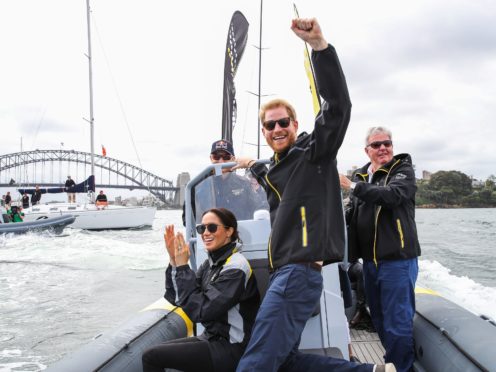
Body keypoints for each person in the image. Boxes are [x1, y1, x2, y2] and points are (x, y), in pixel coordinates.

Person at [234, 17, 394, 372]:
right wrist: (247, 163)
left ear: (294, 124)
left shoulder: (315, 154)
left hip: (298, 273)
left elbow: (338, 107)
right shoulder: (275, 167)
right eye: (269, 125)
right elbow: (272, 172)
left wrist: (320, 47)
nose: (276, 128)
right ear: (264, 131)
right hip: (285, 275)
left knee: (254, 365)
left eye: (282, 122)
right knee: (286, 362)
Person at [339, 126, 420, 372]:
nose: (383, 148)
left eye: (387, 143)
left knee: (397, 323)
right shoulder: (361, 176)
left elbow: (392, 196)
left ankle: (400, 367)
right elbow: (351, 215)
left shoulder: (402, 171)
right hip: (370, 263)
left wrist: (352, 187)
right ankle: (395, 363)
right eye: (376, 145)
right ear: (367, 150)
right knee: (379, 319)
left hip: (398, 260)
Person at [142, 208, 260, 372]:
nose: (205, 233)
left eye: (212, 227)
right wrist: (174, 261)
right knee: (153, 352)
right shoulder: (210, 264)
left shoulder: (235, 267)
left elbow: (202, 311)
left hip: (232, 346)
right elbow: (175, 297)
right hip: (211, 338)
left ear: (229, 231)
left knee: (151, 357)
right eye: (201, 228)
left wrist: (184, 266)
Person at [184, 139, 265, 226]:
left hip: (241, 235)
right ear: (211, 158)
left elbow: (259, 208)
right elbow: (187, 219)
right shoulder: (196, 186)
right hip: (211, 235)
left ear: (233, 159)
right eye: (216, 157)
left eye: (226, 157)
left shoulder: (245, 183)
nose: (221, 161)